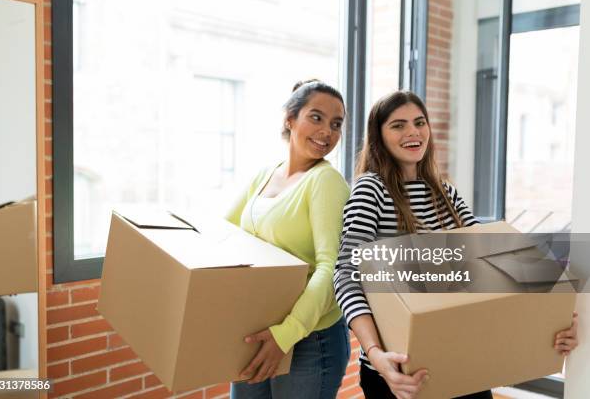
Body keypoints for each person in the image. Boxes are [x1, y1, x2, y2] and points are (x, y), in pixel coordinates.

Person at [333, 90, 579, 399]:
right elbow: (345, 275)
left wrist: (551, 317)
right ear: (379, 136)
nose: (413, 132)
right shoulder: (371, 191)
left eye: (420, 122)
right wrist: (377, 355)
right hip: (400, 369)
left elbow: (491, 266)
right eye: (398, 125)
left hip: (463, 358)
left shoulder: (446, 194)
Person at [227, 80, 351, 398]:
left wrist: (286, 334)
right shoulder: (266, 174)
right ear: (290, 118)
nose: (327, 131)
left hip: (310, 340)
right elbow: (224, 234)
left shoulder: (326, 182)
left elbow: (331, 267)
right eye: (316, 117)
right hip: (258, 329)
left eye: (336, 124)